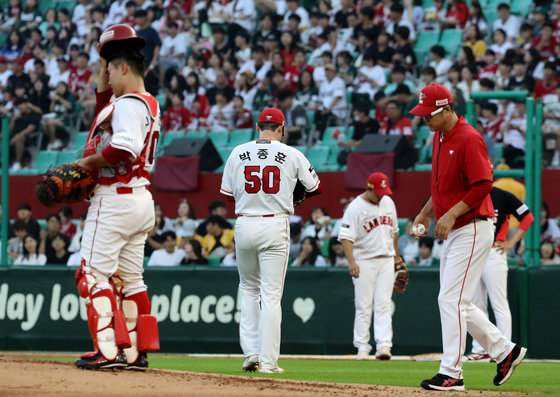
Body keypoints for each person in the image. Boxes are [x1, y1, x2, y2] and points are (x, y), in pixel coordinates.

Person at [409, 84, 527, 391]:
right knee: (456, 301)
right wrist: (426, 213)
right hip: (458, 228)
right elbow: (442, 187)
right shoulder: (440, 136)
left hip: (474, 225)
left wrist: (449, 215)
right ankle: (504, 350)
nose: (425, 120)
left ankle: (452, 372)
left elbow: (483, 184)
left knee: (451, 299)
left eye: (429, 114)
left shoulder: (469, 137)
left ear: (447, 109)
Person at [72, 24, 160, 370]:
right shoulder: (146, 102)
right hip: (139, 199)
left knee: (92, 276)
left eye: (109, 67)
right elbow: (102, 98)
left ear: (123, 68)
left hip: (114, 199)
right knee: (131, 280)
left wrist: (86, 162)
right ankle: (136, 353)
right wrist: (107, 53)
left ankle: (108, 351)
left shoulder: (126, 105)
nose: (103, 75)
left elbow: (125, 145)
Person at [220, 107, 321, 374]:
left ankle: (251, 352)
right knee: (271, 296)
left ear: (257, 126)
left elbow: (228, 196)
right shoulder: (291, 153)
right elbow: (314, 187)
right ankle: (269, 362)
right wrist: (288, 193)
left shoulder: (237, 152)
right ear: (281, 128)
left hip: (244, 222)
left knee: (249, 290)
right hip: (274, 222)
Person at [467, 185, 534, 361]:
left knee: (498, 303)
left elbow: (527, 217)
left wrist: (511, 243)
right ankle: (480, 350)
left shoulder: (502, 195)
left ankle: (505, 349)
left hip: (494, 252)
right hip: (474, 252)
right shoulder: (470, 195)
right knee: (476, 303)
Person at [338, 172, 400, 361]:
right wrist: (352, 262)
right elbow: (346, 238)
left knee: (383, 304)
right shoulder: (355, 207)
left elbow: (395, 232)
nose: (382, 195)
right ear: (368, 188)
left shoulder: (388, 202)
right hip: (364, 260)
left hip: (386, 259)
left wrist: (397, 257)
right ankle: (362, 347)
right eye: (378, 191)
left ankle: (384, 346)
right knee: (364, 305)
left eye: (384, 191)